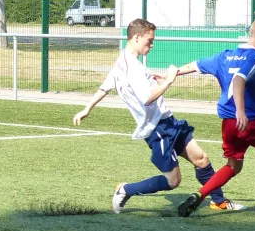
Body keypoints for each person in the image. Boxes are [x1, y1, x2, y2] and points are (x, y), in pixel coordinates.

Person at [72, 18, 245, 214]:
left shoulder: (124, 60)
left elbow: (106, 86)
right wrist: (169, 80)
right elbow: (147, 98)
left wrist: (87, 108)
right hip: (157, 129)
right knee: (173, 181)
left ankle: (218, 201)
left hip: (168, 121)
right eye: (150, 40)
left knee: (202, 159)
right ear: (136, 37)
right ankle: (125, 190)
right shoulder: (132, 68)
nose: (152, 45)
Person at [174, 13, 255, 217]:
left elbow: (194, 66)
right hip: (251, 123)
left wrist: (172, 74)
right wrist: (241, 111)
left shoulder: (224, 56)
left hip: (229, 125)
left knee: (233, 166)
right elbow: (239, 79)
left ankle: (198, 196)